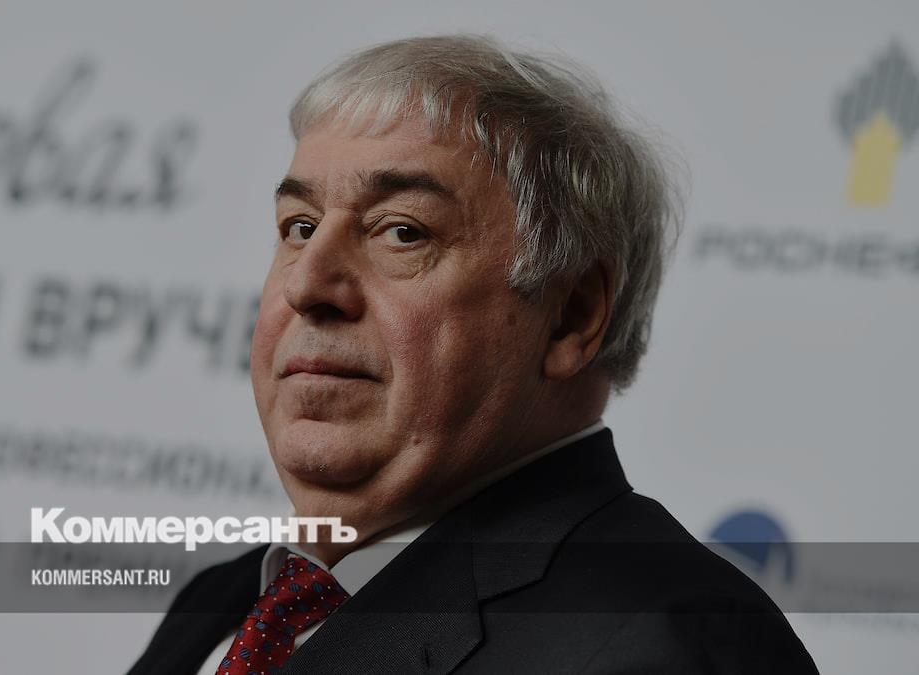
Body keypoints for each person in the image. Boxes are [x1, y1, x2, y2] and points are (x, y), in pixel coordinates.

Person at [131, 34, 817, 674]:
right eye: (300, 227)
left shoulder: (666, 644)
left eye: (402, 232)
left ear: (571, 315)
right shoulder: (230, 599)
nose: (307, 285)